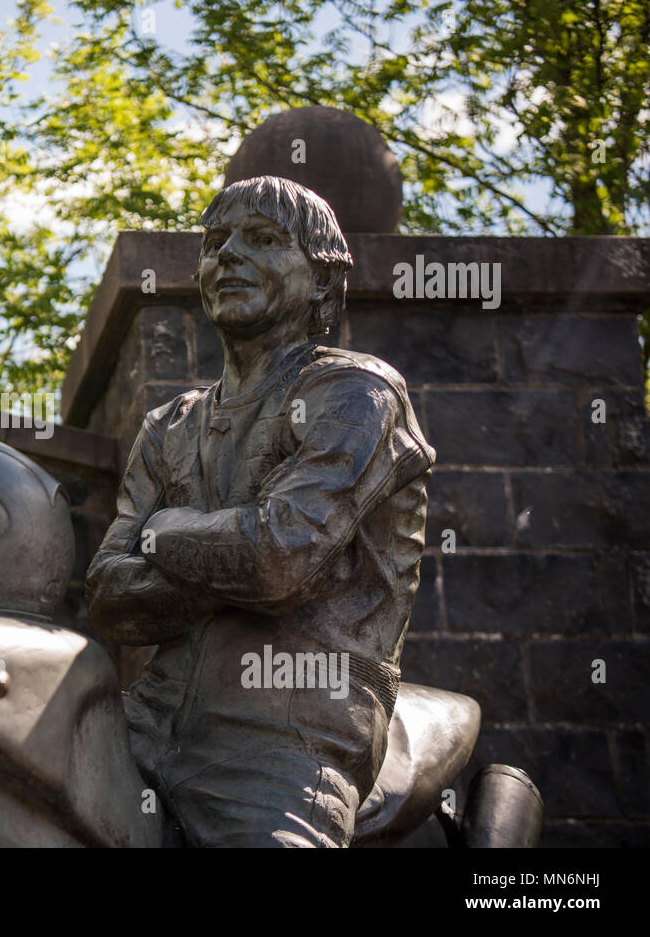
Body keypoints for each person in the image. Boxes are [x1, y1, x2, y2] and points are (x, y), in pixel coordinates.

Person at [86, 175, 436, 847]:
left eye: (265, 239)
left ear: (324, 283)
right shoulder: (169, 424)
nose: (230, 256)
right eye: (216, 242)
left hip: (288, 737)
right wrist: (226, 567)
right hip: (141, 722)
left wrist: (159, 535)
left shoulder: (356, 392)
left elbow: (278, 556)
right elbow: (107, 596)